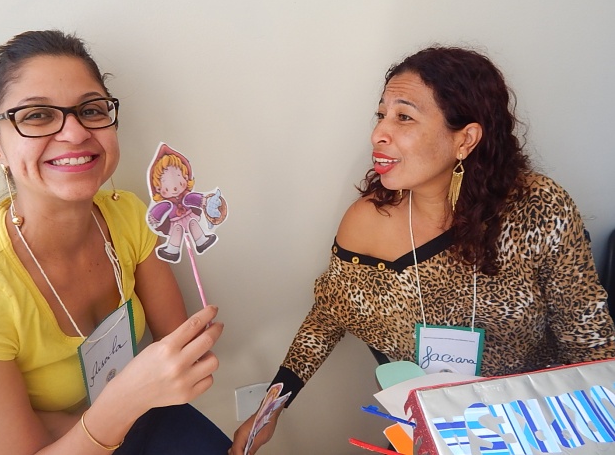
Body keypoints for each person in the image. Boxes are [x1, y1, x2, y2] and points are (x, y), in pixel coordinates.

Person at [230, 46, 615, 454]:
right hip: (430, 434)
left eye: (404, 117)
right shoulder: (367, 221)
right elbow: (329, 314)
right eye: (381, 115)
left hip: (537, 427)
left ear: (465, 139)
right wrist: (269, 411)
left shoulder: (539, 209)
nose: (378, 134)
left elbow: (590, 343)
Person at [0, 30, 231, 455]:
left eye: (91, 109)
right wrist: (124, 401)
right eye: (37, 115)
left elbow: (175, 350)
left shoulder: (127, 215)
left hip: (138, 419)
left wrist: (188, 355)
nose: (76, 132)